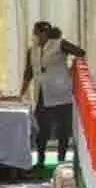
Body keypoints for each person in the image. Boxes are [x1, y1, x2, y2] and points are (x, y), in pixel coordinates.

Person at [20, 21, 86, 169]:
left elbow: (80, 53)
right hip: (42, 95)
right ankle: (40, 160)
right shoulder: (32, 51)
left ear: (44, 33)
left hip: (61, 94)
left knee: (63, 129)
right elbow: (28, 73)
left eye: (37, 33)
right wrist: (21, 93)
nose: (35, 36)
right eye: (35, 34)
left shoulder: (59, 44)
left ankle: (61, 160)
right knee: (41, 129)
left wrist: (72, 71)